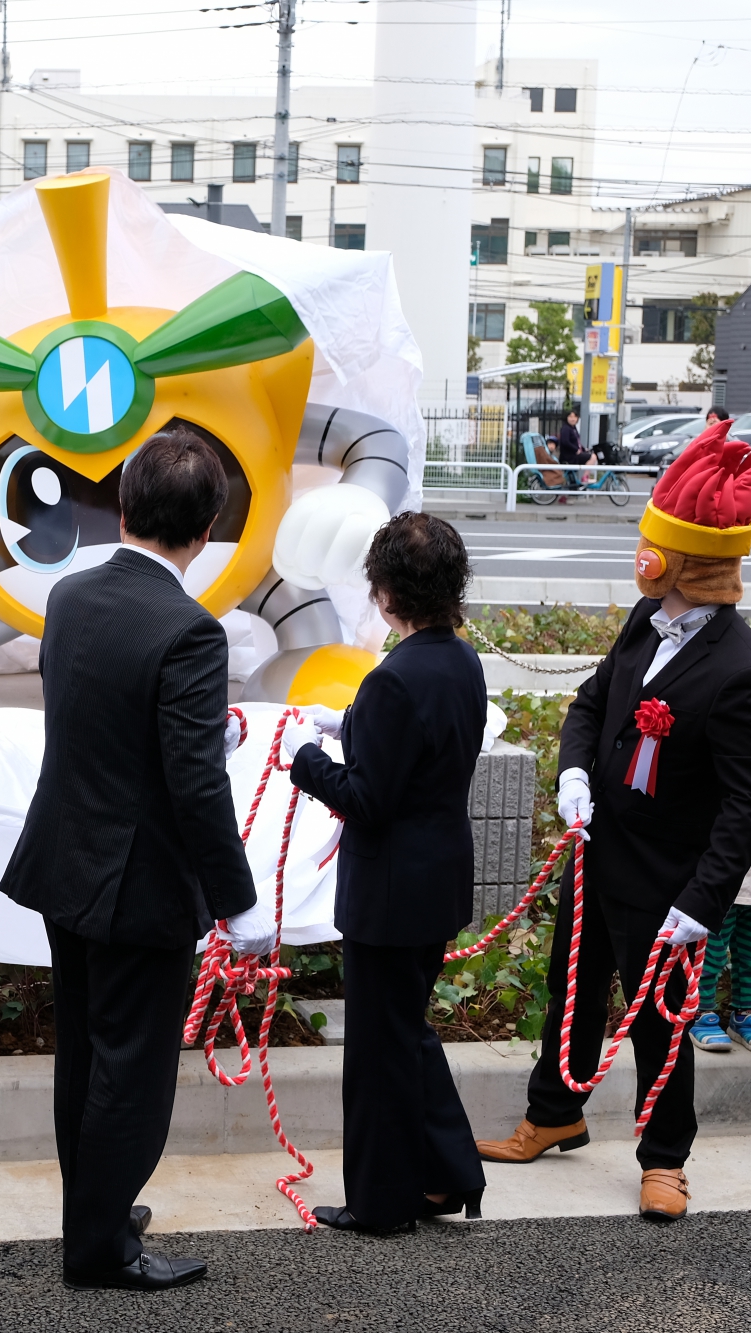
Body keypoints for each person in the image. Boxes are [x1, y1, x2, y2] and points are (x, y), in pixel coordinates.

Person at [474, 421, 751, 1221]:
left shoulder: (745, 671)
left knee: (660, 1021)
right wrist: (574, 770)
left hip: (669, 879)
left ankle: (665, 1157)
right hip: (598, 849)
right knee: (569, 990)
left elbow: (750, 801)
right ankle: (555, 1111)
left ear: (683, 560)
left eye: (652, 541)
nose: (639, 550)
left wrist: (702, 901)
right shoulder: (642, 620)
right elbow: (589, 703)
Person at [0, 429, 260, 1291]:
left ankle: (95, 1209)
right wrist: (239, 902)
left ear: (121, 504)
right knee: (133, 1070)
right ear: (209, 525)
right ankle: (102, 1246)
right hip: (137, 877)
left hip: (65, 855)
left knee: (84, 1053)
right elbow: (193, 785)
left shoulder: (69, 595)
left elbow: (95, 713)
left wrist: (191, 735)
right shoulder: (191, 631)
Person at [286, 511, 489, 1233]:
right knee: (405, 1031)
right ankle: (443, 1175)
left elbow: (367, 797)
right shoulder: (460, 660)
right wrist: (353, 724)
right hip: (437, 878)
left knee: (380, 1050)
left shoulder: (392, 680)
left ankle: (381, 1204)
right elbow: (421, 748)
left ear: (384, 592)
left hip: (389, 889)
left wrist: (308, 761)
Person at [689, 771, 751, 1055]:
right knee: (712, 952)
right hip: (724, 884)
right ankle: (701, 1011)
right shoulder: (727, 757)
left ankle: (745, 1013)